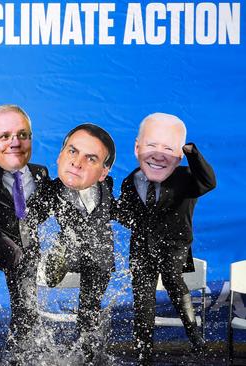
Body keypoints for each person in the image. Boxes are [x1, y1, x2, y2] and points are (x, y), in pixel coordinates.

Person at [117, 113, 216, 365]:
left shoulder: (186, 178)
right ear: (137, 148)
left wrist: (192, 153)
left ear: (179, 155)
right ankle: (143, 349)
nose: (158, 154)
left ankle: (195, 337)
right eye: (151, 146)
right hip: (141, 247)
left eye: (168, 148)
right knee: (143, 297)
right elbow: (129, 216)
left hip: (174, 244)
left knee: (173, 281)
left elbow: (208, 182)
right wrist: (107, 205)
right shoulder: (131, 181)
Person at [0, 105, 49, 348]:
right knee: (17, 258)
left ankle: (21, 348)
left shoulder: (41, 174)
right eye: (5, 136)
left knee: (25, 302)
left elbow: (54, 202)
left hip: (28, 248)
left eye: (22, 135)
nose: (15, 142)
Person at [35, 123, 116, 364]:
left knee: (89, 312)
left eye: (90, 159)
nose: (77, 163)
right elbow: (29, 216)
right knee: (66, 246)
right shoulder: (50, 190)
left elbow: (121, 213)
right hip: (67, 254)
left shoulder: (107, 189)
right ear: (60, 156)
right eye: (72, 152)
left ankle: (89, 357)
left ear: (104, 172)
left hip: (100, 260)